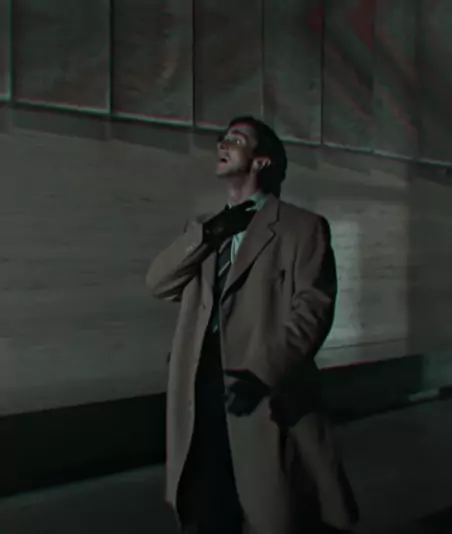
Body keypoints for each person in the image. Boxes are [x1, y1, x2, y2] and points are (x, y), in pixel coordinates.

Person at [146, 116, 358, 534]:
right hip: (201, 394)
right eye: (222, 138)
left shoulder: (302, 228)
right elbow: (159, 284)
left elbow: (312, 309)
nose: (223, 145)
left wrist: (264, 371)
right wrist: (208, 234)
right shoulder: (206, 229)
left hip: (262, 393)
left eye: (237, 139)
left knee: (273, 510)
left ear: (261, 161)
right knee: (207, 510)